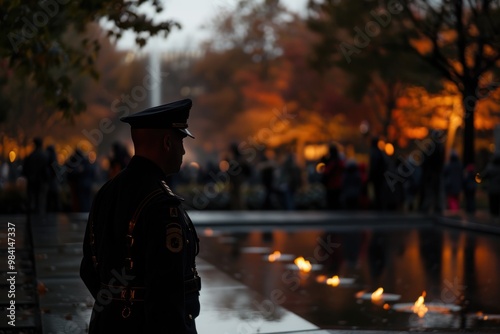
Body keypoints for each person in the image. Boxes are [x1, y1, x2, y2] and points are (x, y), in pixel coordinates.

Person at [80, 99, 201, 333]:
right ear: (167, 142)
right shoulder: (163, 205)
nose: (183, 150)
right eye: (180, 140)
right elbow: (165, 298)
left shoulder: (107, 190)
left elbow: (88, 268)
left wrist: (116, 307)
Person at [22, 137, 49, 214]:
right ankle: (40, 213)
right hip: (42, 181)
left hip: (32, 180)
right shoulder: (45, 156)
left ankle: (32, 212)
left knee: (32, 198)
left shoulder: (31, 156)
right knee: (41, 199)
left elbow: (25, 169)